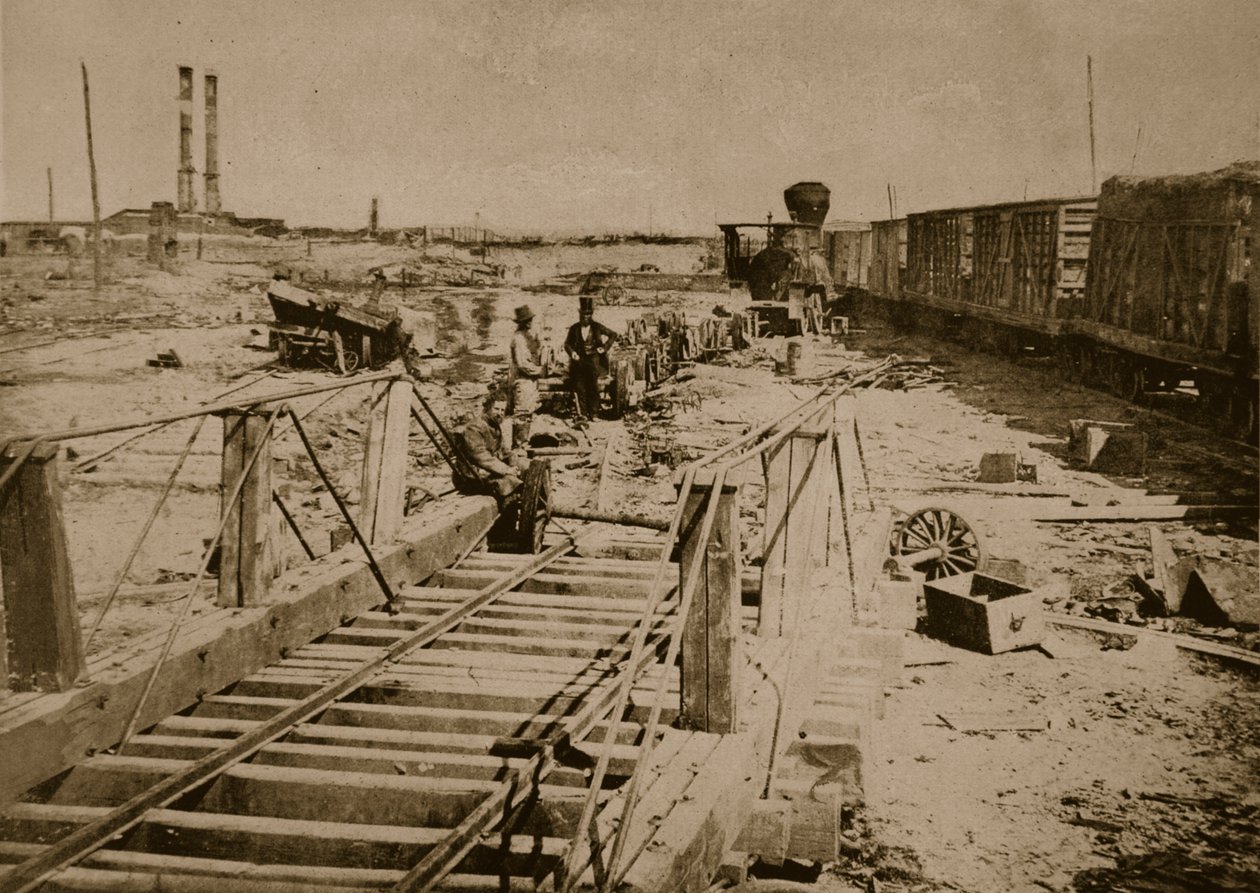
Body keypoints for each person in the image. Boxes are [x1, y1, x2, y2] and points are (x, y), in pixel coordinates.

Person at [457, 390, 524, 496]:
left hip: (489, 469)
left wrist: (514, 464)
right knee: (512, 482)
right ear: (487, 408)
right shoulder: (474, 427)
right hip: (473, 476)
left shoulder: (493, 425)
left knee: (525, 466)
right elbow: (480, 457)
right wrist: (506, 469)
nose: (500, 413)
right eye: (496, 409)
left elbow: (505, 451)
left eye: (502, 410)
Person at [564, 296, 618, 419]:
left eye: (588, 314)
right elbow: (567, 344)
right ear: (580, 314)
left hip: (593, 362)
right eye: (583, 314)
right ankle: (582, 415)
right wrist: (572, 353)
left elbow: (613, 334)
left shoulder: (597, 327)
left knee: (593, 387)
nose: (585, 317)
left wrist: (604, 347)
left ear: (591, 314)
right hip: (578, 362)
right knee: (580, 388)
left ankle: (594, 414)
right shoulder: (574, 328)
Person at [508, 304, 543, 448]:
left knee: (528, 412)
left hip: (529, 381)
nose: (530, 322)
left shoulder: (527, 336)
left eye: (530, 319)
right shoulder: (519, 339)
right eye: (526, 320)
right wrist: (540, 371)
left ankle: (522, 443)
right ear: (521, 322)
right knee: (522, 414)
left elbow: (537, 351)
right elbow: (523, 364)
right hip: (522, 381)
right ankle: (518, 446)